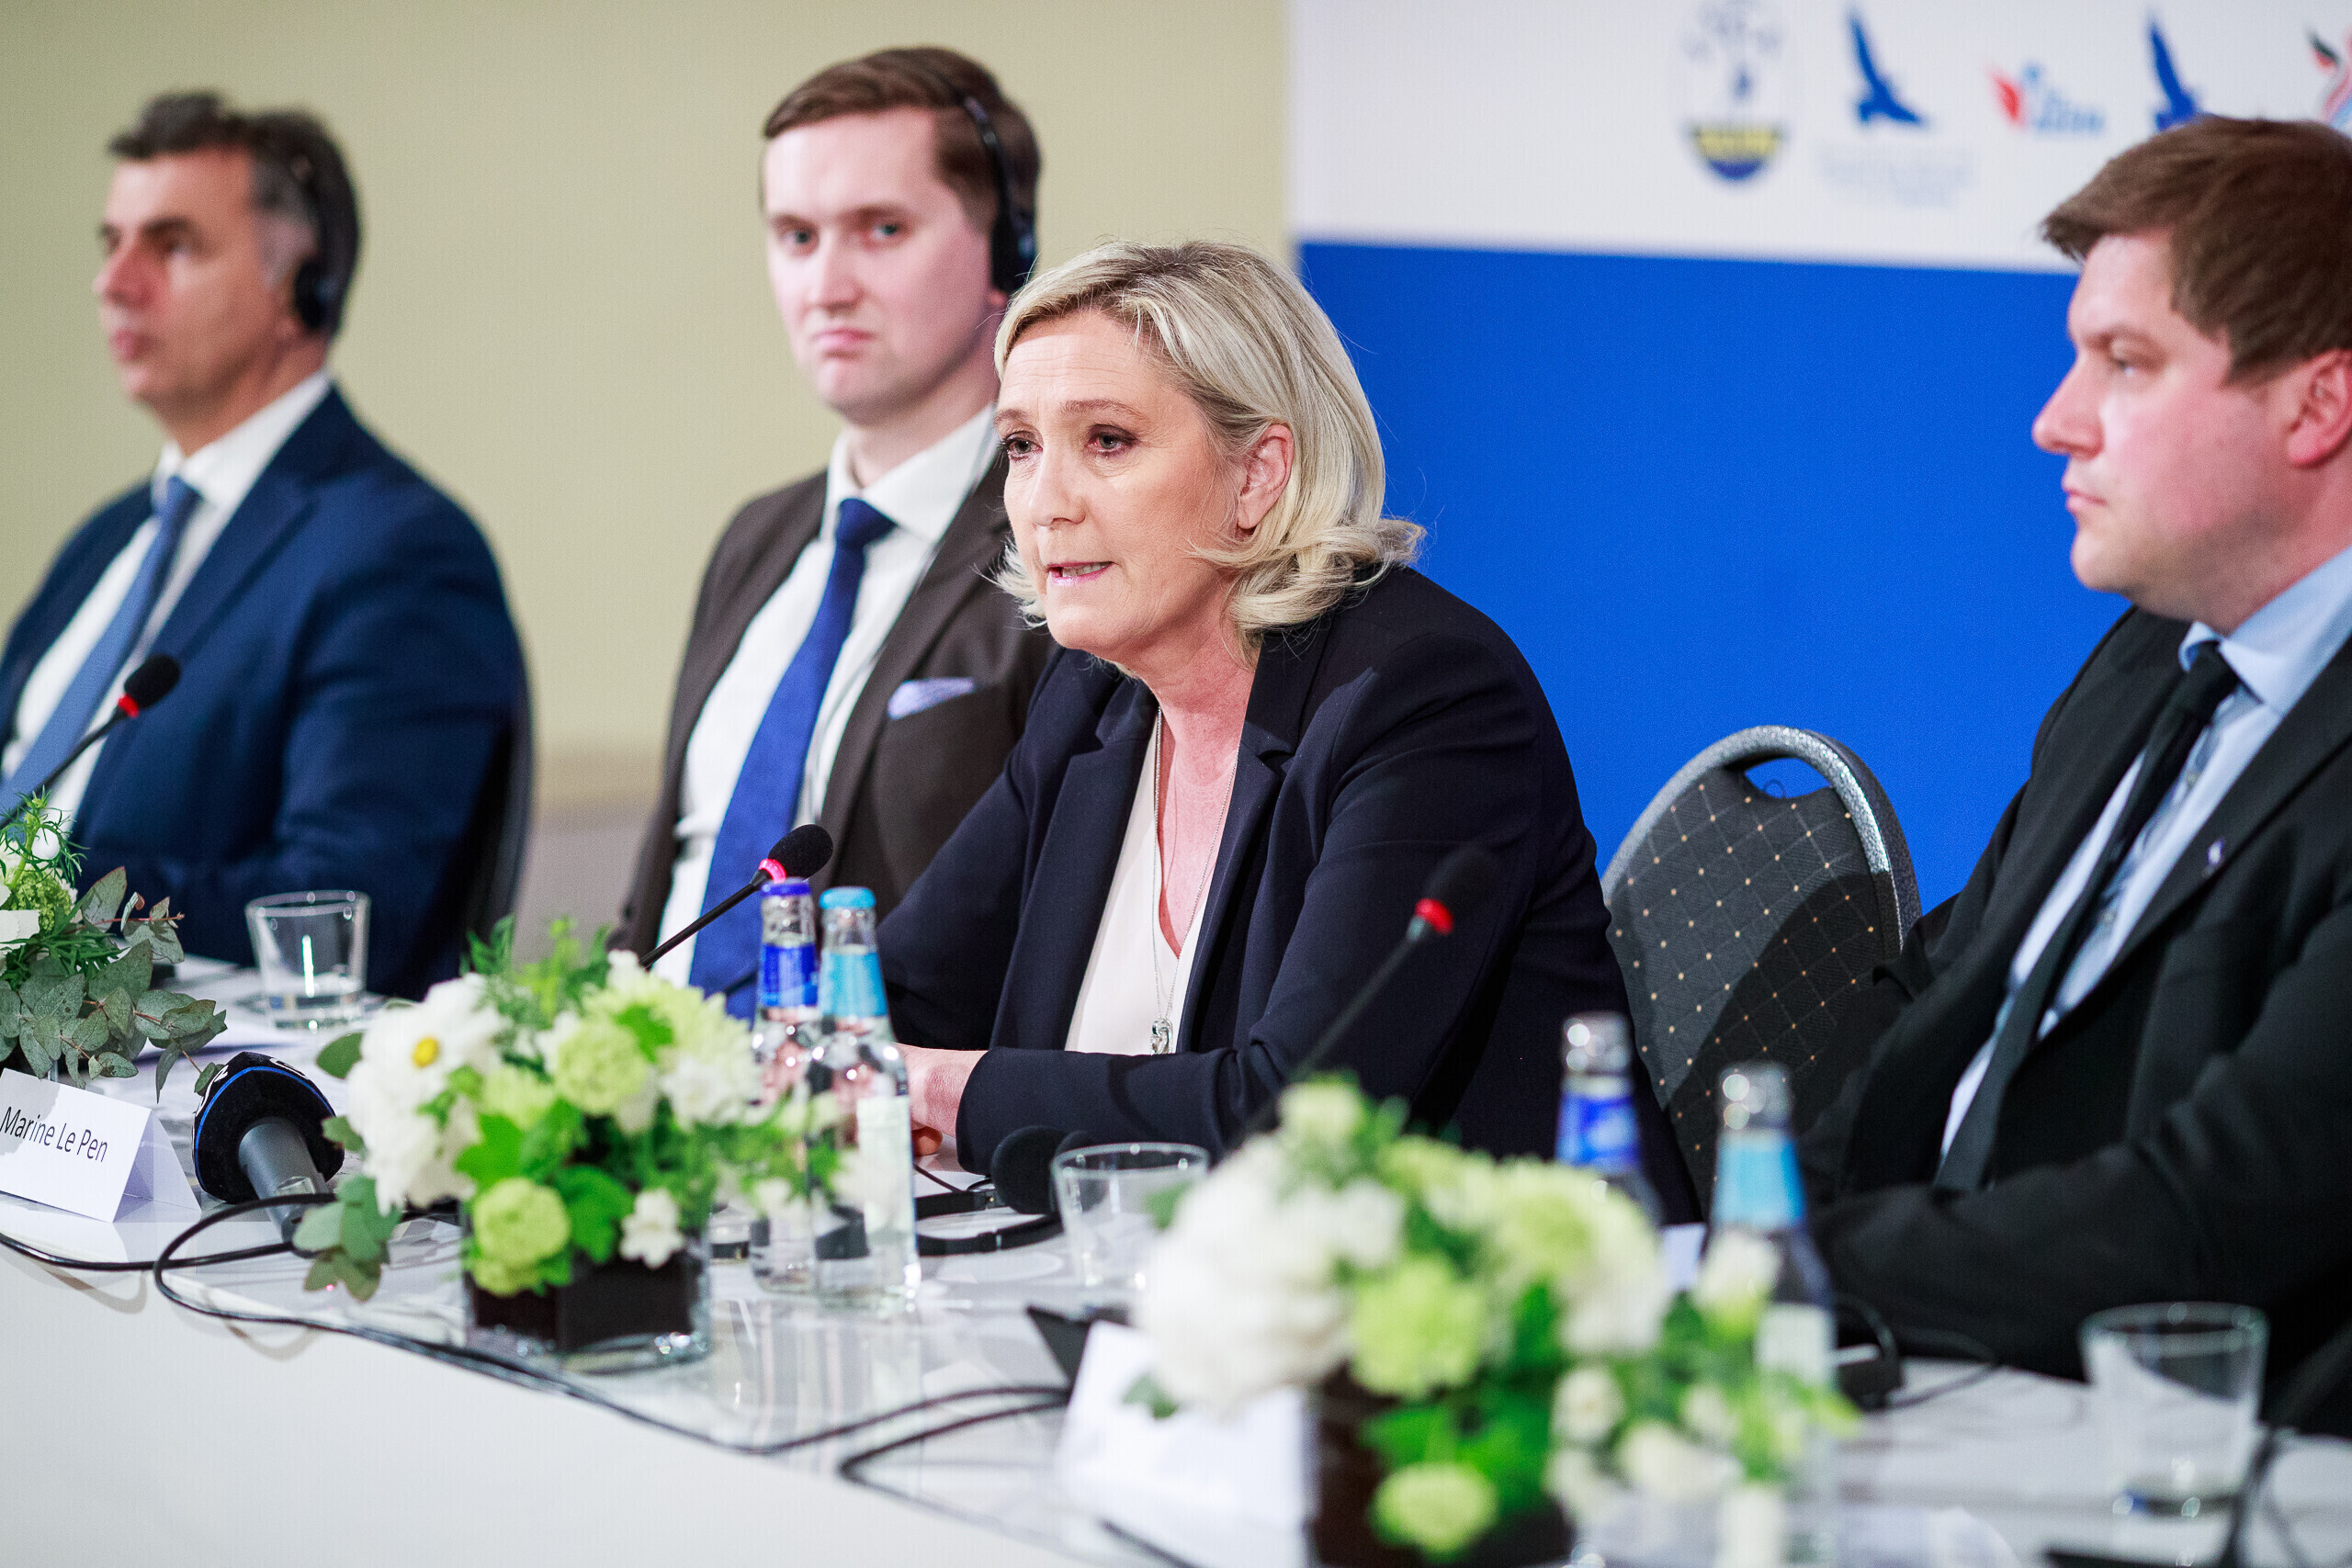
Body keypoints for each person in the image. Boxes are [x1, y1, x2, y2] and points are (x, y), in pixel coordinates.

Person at [879, 240, 1679, 1192]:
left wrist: (943, 1092)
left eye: (1108, 441)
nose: (1045, 502)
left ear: (1258, 474)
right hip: (1134, 1271)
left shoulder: (1424, 700)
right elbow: (897, 1000)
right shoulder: (1092, 700)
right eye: (1021, 446)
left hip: (1466, 1271)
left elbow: (1296, 1115)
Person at [1802, 118, 2352, 1424]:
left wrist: (1799, 1269)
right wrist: (1749, 1241)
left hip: (2199, 1438)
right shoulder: (2150, 653)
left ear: (2316, 405)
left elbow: (2218, 1212)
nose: (2057, 422)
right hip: (1927, 1368)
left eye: (2126, 362)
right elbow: (1940, 990)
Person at [0, 92, 522, 997]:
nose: (113, 283)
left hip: (175, 1067)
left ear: (299, 288)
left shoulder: (399, 550)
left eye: (172, 246)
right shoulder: (106, 539)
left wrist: (40, 905)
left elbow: (348, 908)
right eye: (111, 243)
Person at [619, 47, 1055, 1014]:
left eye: (881, 229)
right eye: (797, 236)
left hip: (888, 1093)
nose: (826, 285)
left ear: (1006, 252)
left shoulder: (1060, 539)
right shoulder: (755, 540)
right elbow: (661, 890)